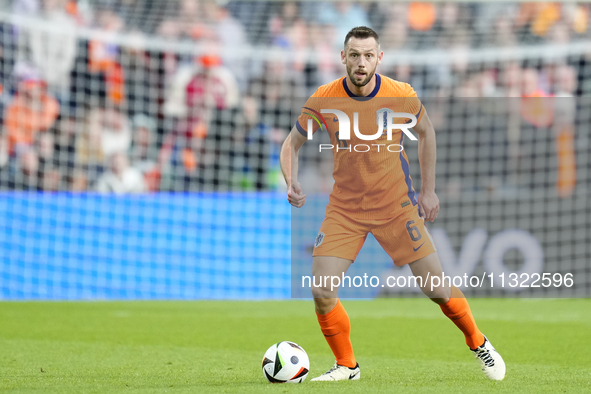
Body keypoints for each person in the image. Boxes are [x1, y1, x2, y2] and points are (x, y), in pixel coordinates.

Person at [279, 26, 505, 382]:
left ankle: (479, 343)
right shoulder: (324, 98)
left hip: (396, 207)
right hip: (345, 210)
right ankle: (347, 366)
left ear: (379, 58)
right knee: (322, 289)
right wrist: (290, 179)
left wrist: (428, 191)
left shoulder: (401, 94)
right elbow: (291, 144)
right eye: (354, 55)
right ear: (343, 57)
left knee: (437, 290)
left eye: (368, 55)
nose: (361, 62)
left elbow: (427, 132)